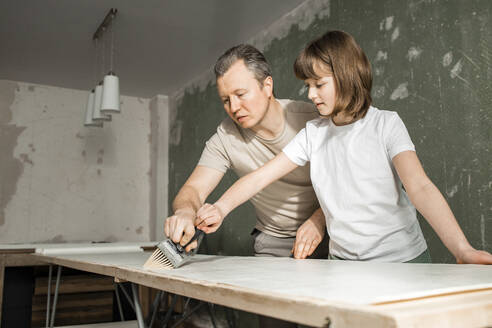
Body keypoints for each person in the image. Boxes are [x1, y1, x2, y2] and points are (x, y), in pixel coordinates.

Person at [195, 30, 492, 264]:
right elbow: (261, 177)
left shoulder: (386, 124)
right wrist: (220, 208)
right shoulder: (314, 133)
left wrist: (461, 249)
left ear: (347, 76)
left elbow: (420, 187)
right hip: (343, 264)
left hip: (403, 259)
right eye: (307, 85)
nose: (310, 94)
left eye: (318, 84)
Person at [164, 44, 329, 261]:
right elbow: (193, 189)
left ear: (267, 86)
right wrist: (185, 212)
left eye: (241, 94)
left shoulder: (313, 120)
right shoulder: (225, 138)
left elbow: (345, 181)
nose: (233, 107)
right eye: (225, 100)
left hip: (328, 230)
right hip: (273, 238)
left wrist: (319, 220)